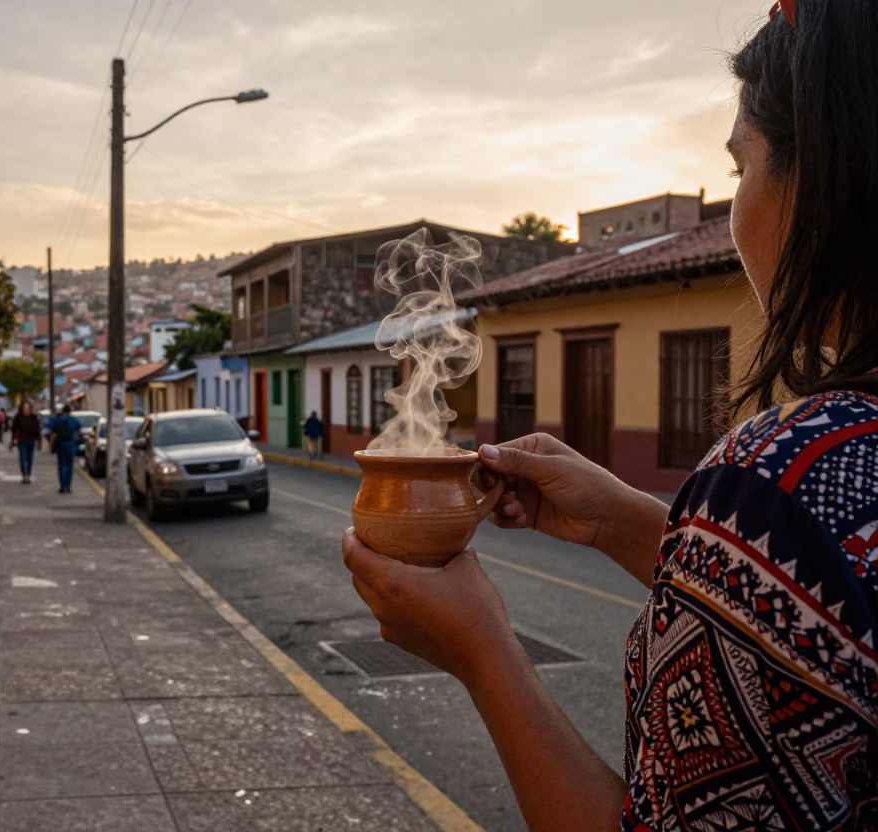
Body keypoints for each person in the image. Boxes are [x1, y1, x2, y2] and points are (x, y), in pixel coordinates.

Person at [342, 4, 878, 828]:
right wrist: (627, 525)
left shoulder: (784, 475)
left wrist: (484, 658)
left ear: (826, 177)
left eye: (739, 171)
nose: (737, 209)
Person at [46, 404, 82, 494]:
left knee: (61, 465)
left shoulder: (56, 419)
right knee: (70, 466)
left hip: (60, 445)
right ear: (70, 411)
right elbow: (78, 431)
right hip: (71, 445)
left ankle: (62, 486)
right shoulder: (73, 420)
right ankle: (68, 486)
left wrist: (51, 444)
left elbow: (50, 431)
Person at [9, 400, 43, 484]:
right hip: (22, 440)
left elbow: (37, 430)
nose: (26, 409)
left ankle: (28, 474)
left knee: (29, 459)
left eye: (27, 407)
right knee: (23, 458)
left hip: (31, 440)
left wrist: (39, 442)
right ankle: (24, 475)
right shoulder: (18, 417)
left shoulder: (34, 418)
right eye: (24, 407)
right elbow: (14, 430)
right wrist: (12, 442)